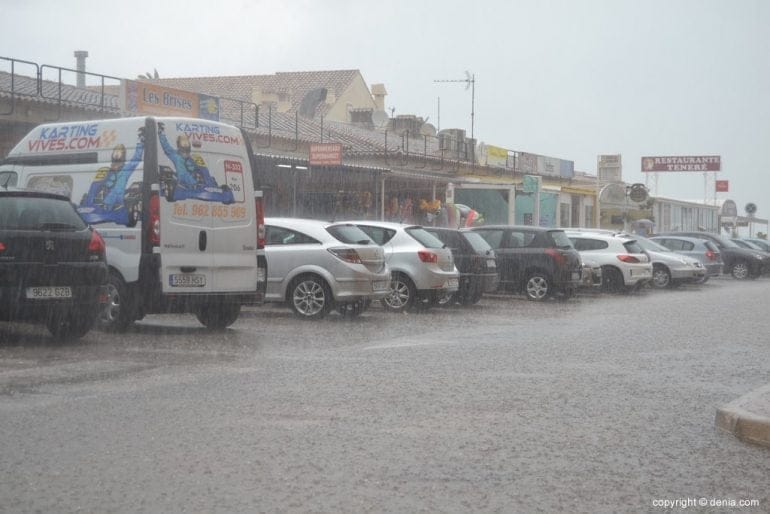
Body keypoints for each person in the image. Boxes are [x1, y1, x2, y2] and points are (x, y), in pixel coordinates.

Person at [81, 128, 144, 213]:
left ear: (123, 154)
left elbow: (136, 158)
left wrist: (140, 143)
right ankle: (88, 204)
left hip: (117, 202)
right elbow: (96, 186)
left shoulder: (126, 169)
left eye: (119, 152)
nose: (117, 154)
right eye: (115, 151)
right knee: (95, 186)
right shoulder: (107, 170)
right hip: (106, 201)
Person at [158, 123, 217, 190]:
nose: (186, 153)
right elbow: (166, 146)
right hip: (182, 180)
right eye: (184, 151)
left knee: (203, 169)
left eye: (187, 151)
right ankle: (194, 184)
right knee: (180, 162)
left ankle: (210, 185)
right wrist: (161, 133)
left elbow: (201, 169)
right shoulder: (175, 155)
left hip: (194, 178)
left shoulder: (191, 158)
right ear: (179, 148)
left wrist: (201, 171)